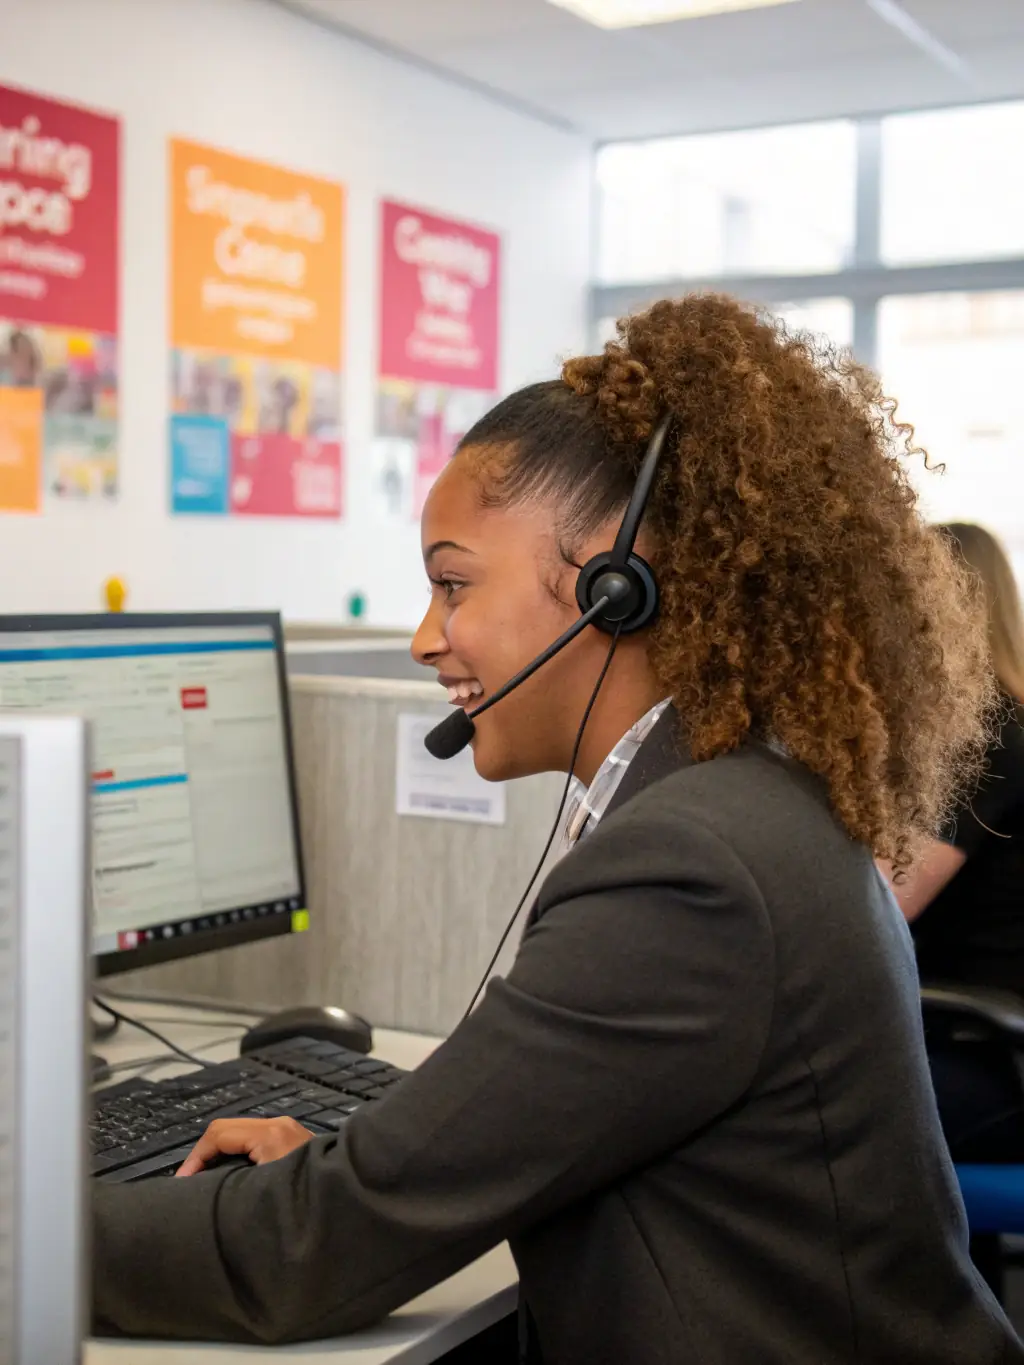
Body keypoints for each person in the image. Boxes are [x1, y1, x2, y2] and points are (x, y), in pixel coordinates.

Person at [92, 296, 1020, 1363]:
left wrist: (34, 1222)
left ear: (613, 590)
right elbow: (552, 1107)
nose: (425, 637)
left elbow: (308, 1250)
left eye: (452, 583)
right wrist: (370, 1154)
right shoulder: (739, 796)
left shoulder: (692, 866)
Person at [890, 522, 1024, 1163]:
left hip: (988, 1052)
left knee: (788, 1118)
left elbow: (883, 898)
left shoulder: (985, 740)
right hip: (966, 1034)